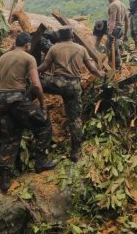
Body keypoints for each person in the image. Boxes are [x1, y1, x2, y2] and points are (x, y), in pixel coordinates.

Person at [0, 32, 56, 192]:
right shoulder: (29, 58)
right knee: (43, 124)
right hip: (17, 100)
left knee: (9, 139)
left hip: (1, 101)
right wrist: (42, 103)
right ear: (27, 45)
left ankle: (5, 181)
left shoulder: (3, 57)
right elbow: (36, 85)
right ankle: (40, 162)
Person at [38, 27, 105, 162]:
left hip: (57, 84)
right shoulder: (81, 49)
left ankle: (28, 100)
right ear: (72, 36)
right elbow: (91, 69)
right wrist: (102, 74)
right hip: (74, 86)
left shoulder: (54, 48)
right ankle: (74, 152)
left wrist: (31, 72)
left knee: (36, 81)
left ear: (60, 37)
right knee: (75, 120)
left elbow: (43, 68)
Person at [106, 0, 129, 70]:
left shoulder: (113, 5)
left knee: (113, 50)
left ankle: (116, 68)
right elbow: (127, 21)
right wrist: (125, 34)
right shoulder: (123, 5)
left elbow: (112, 21)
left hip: (114, 30)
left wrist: (110, 33)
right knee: (115, 48)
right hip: (120, 30)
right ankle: (115, 65)